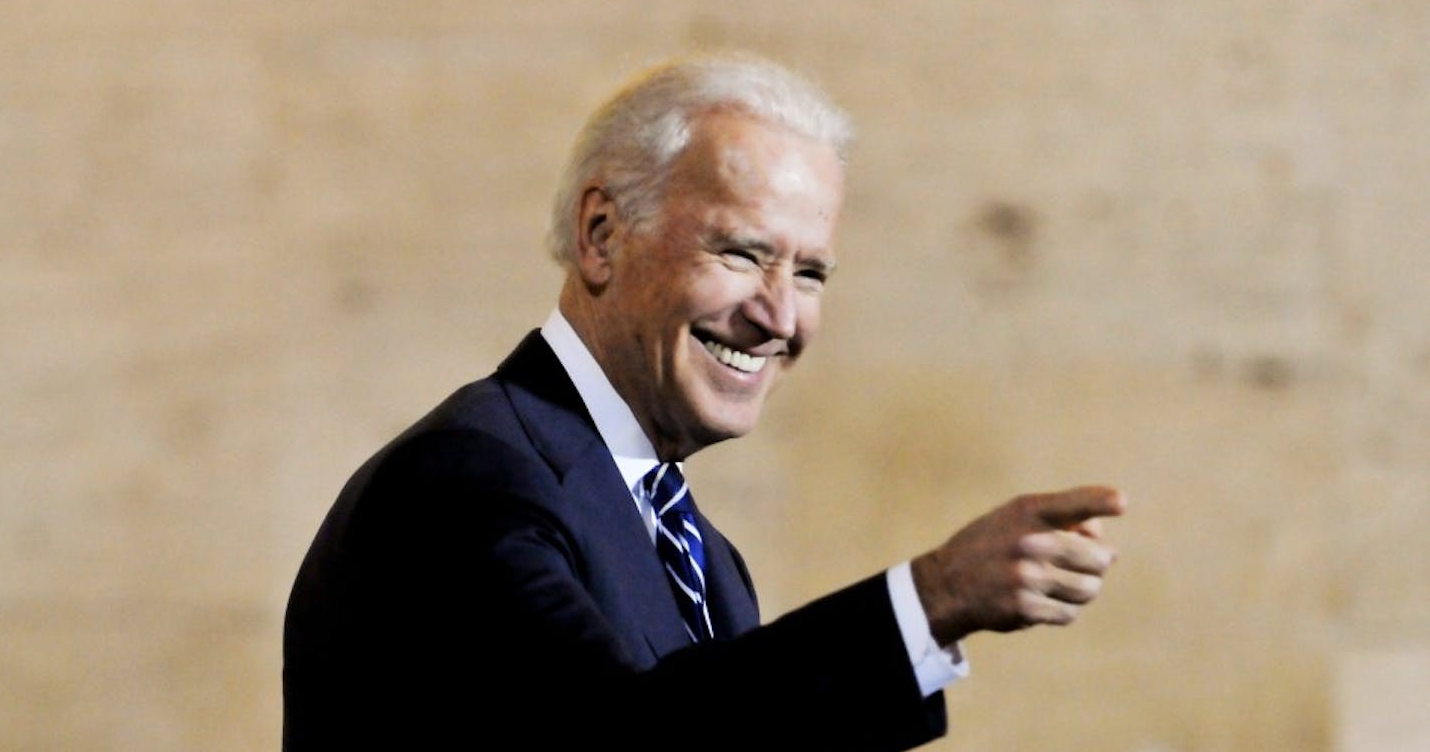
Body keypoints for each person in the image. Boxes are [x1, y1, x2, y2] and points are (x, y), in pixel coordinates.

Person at [282, 51, 1126, 751]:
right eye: (740, 253)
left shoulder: (708, 560)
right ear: (602, 236)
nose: (779, 316)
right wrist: (929, 598)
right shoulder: (465, 481)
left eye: (811, 272)